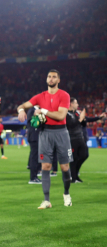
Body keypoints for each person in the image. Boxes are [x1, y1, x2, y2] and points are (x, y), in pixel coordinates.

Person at [17, 69, 73, 209]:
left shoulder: (64, 95)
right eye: (49, 76)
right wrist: (21, 110)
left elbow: (61, 116)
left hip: (61, 133)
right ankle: (46, 200)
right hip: (45, 133)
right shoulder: (40, 96)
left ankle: (66, 194)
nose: (51, 79)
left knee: (64, 167)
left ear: (58, 80)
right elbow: (22, 105)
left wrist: (43, 111)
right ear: (46, 79)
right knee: (45, 166)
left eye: (54, 77)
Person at [67, 99, 105, 182]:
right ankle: (74, 178)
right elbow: (71, 124)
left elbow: (87, 119)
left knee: (85, 155)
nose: (77, 104)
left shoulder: (77, 113)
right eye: (76, 103)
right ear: (71, 104)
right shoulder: (67, 114)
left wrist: (99, 117)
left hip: (80, 138)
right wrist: (80, 119)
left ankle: (75, 174)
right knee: (74, 158)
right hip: (72, 139)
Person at [26, 106, 42, 184]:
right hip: (34, 137)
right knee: (34, 157)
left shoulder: (35, 110)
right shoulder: (32, 110)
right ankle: (33, 178)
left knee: (36, 157)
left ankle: (35, 175)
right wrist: (36, 115)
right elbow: (33, 124)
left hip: (37, 137)